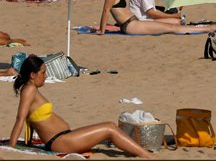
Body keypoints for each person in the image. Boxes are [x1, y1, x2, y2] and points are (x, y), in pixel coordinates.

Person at [7, 55, 151, 157]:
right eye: (43, 73)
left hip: (64, 138)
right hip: (60, 142)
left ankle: (141, 152)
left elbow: (30, 121)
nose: (45, 76)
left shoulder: (31, 89)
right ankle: (147, 156)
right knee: (110, 128)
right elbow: (20, 119)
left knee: (110, 129)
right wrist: (12, 148)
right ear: (33, 75)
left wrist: (28, 142)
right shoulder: (29, 90)